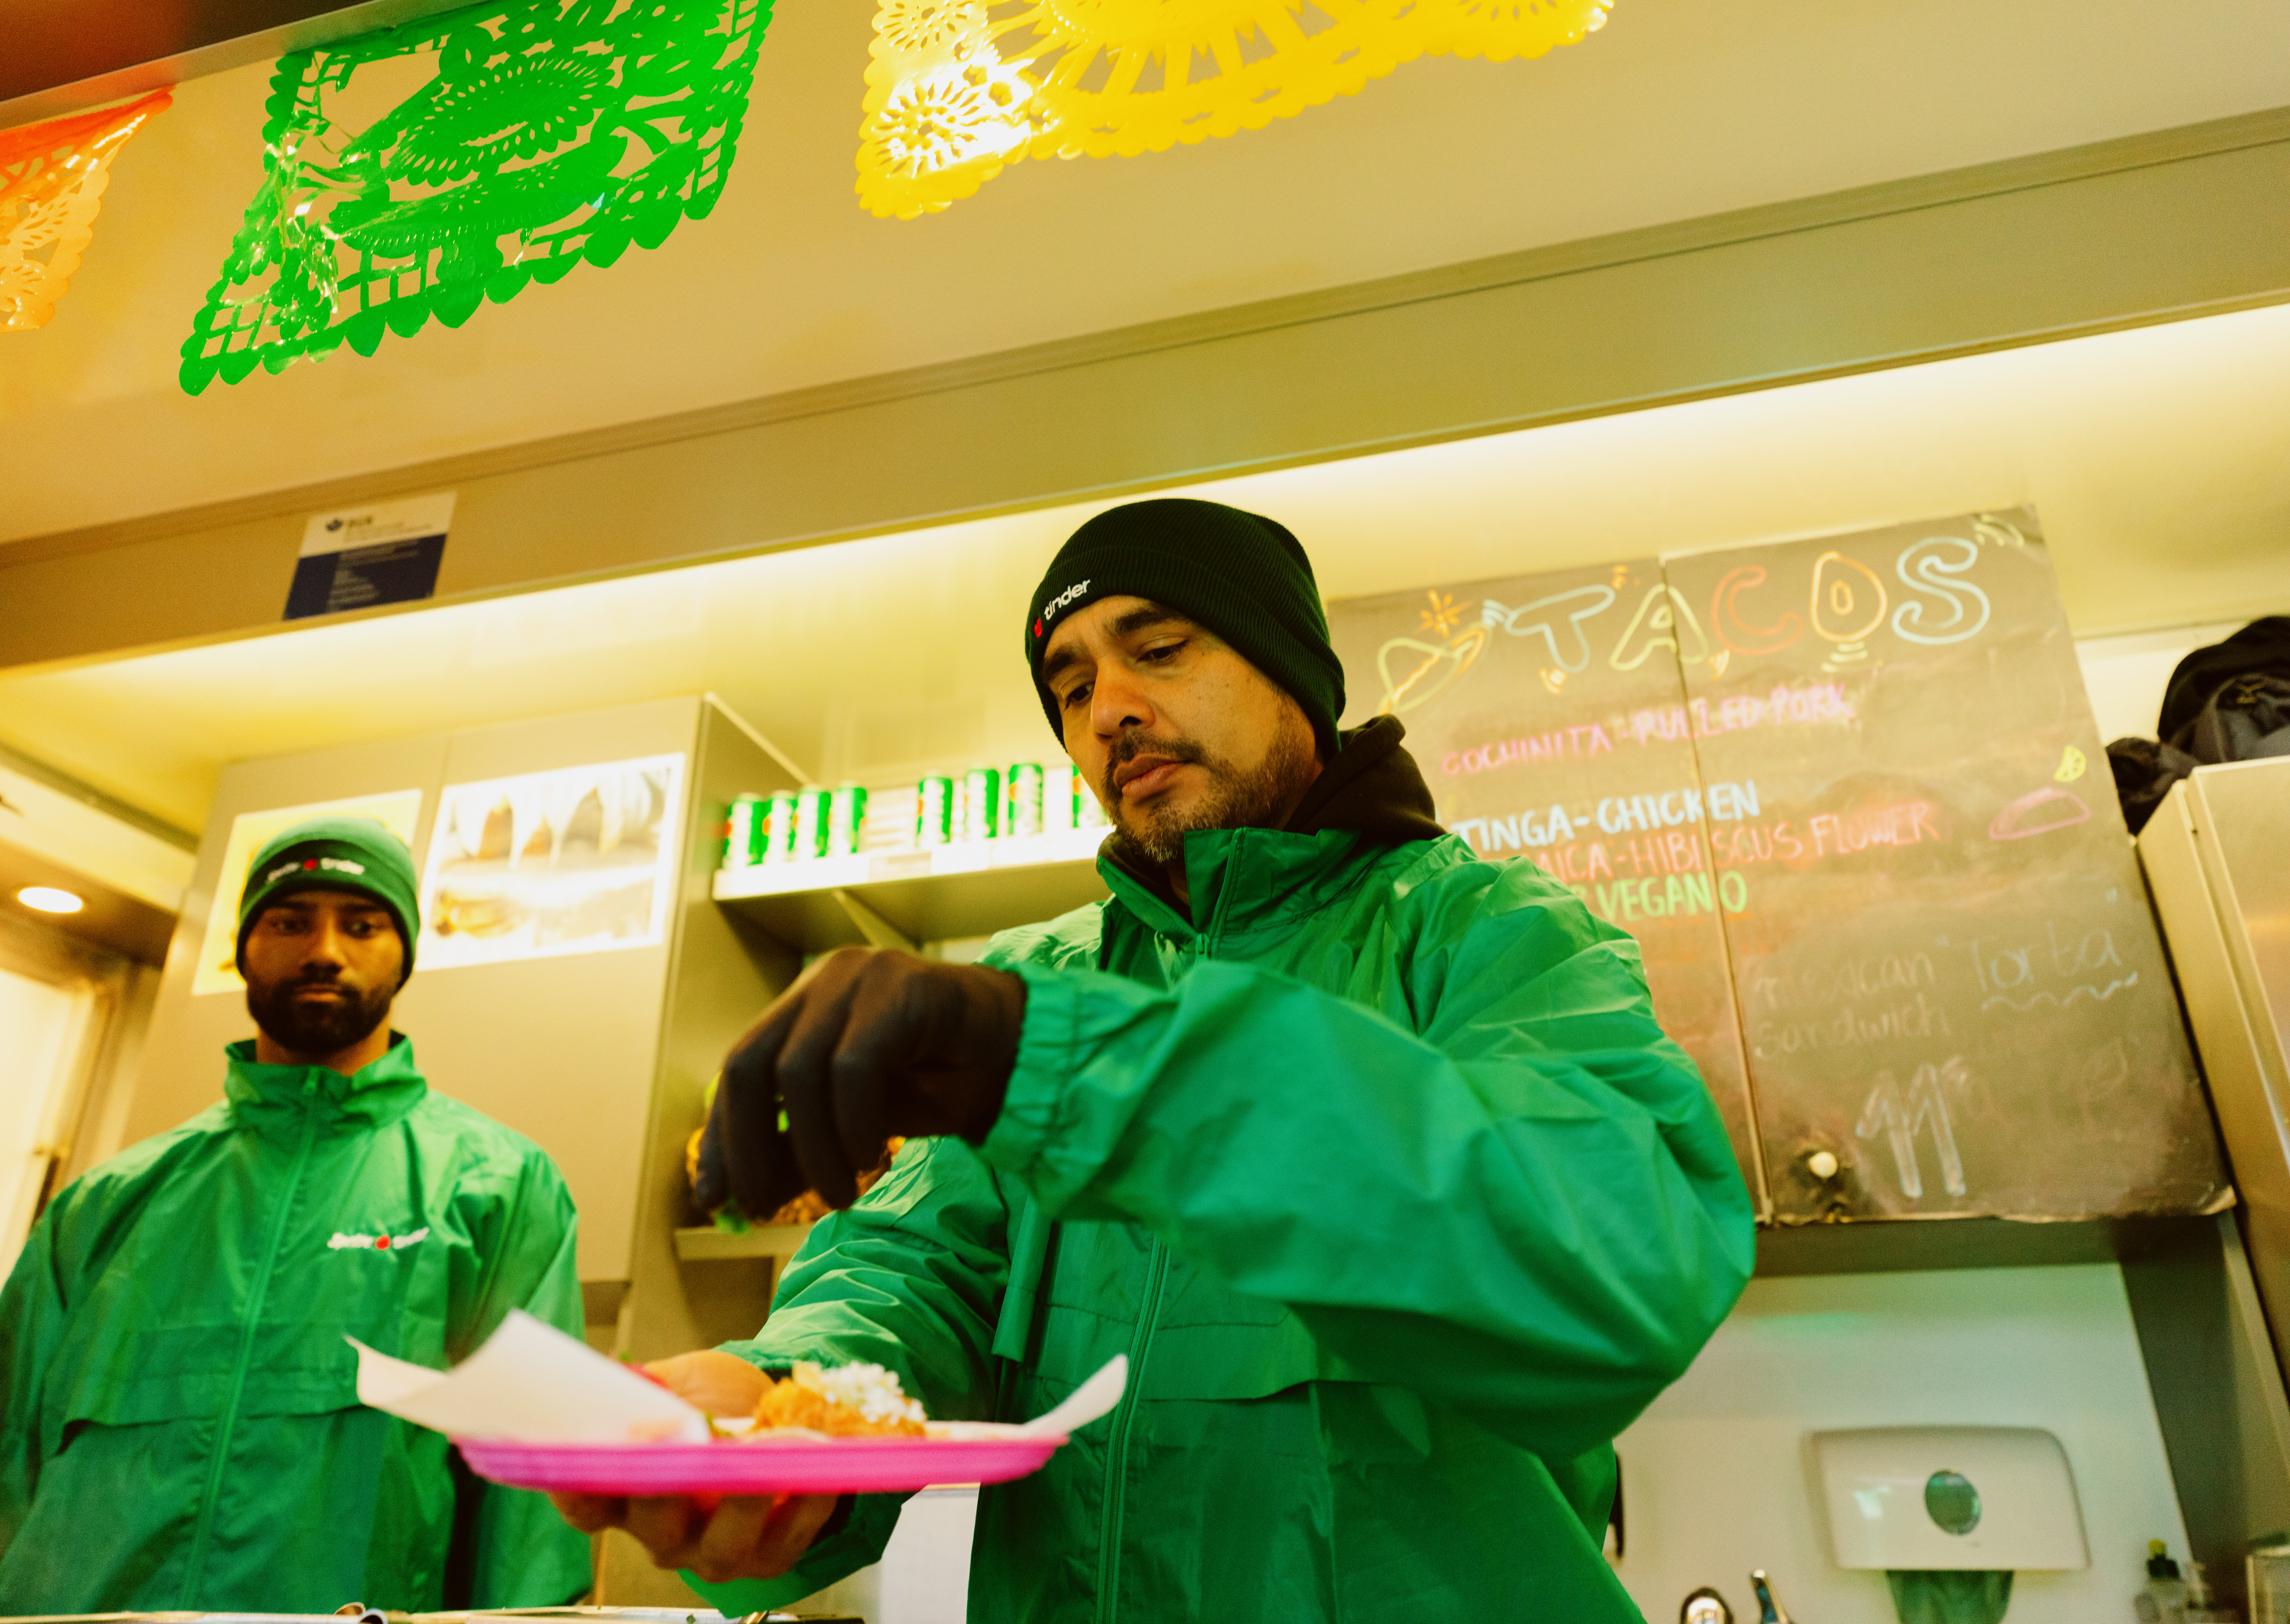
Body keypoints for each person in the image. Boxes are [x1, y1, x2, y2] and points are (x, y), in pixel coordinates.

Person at [564, 499, 1756, 1617]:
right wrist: (781, 1403)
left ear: (1294, 673)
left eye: (1161, 648)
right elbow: (912, 1269)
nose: (1108, 712)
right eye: (1072, 684)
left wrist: (1066, 1062)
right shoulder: (1046, 977)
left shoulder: (1491, 933)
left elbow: (1615, 1263)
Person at [0, 816, 593, 1611]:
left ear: (406, 954)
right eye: (289, 921)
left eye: (362, 924)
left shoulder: (495, 1186)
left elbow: (533, 1509)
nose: (325, 950)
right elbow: (11, 1452)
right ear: (242, 947)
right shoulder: (106, 1203)